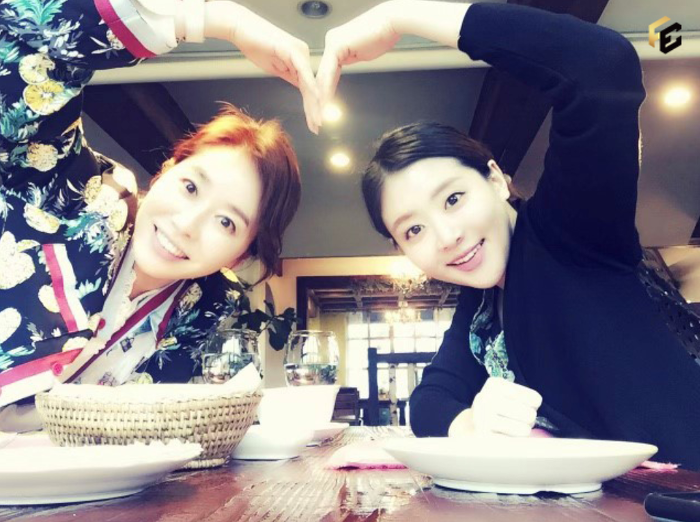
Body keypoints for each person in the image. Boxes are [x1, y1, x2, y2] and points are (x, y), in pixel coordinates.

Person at [317, 1, 700, 468]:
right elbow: (432, 398)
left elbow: (601, 67)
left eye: (453, 199)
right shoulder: (483, 305)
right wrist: (470, 425)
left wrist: (399, 16)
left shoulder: (567, 230)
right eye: (414, 229)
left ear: (496, 179)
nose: (447, 236)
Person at [0, 0, 321, 415]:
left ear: (240, 254)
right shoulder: (73, 188)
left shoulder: (208, 304)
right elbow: (21, 37)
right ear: (164, 172)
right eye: (190, 186)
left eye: (226, 222)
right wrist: (218, 21)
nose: (187, 224)